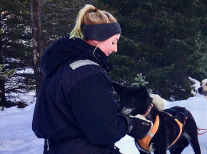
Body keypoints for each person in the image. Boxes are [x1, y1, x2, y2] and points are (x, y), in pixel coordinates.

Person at [32, 4, 153, 154]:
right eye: (113, 41)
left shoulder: (63, 66)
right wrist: (132, 124)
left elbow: (81, 111)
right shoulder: (88, 74)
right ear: (97, 38)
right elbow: (105, 131)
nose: (115, 49)